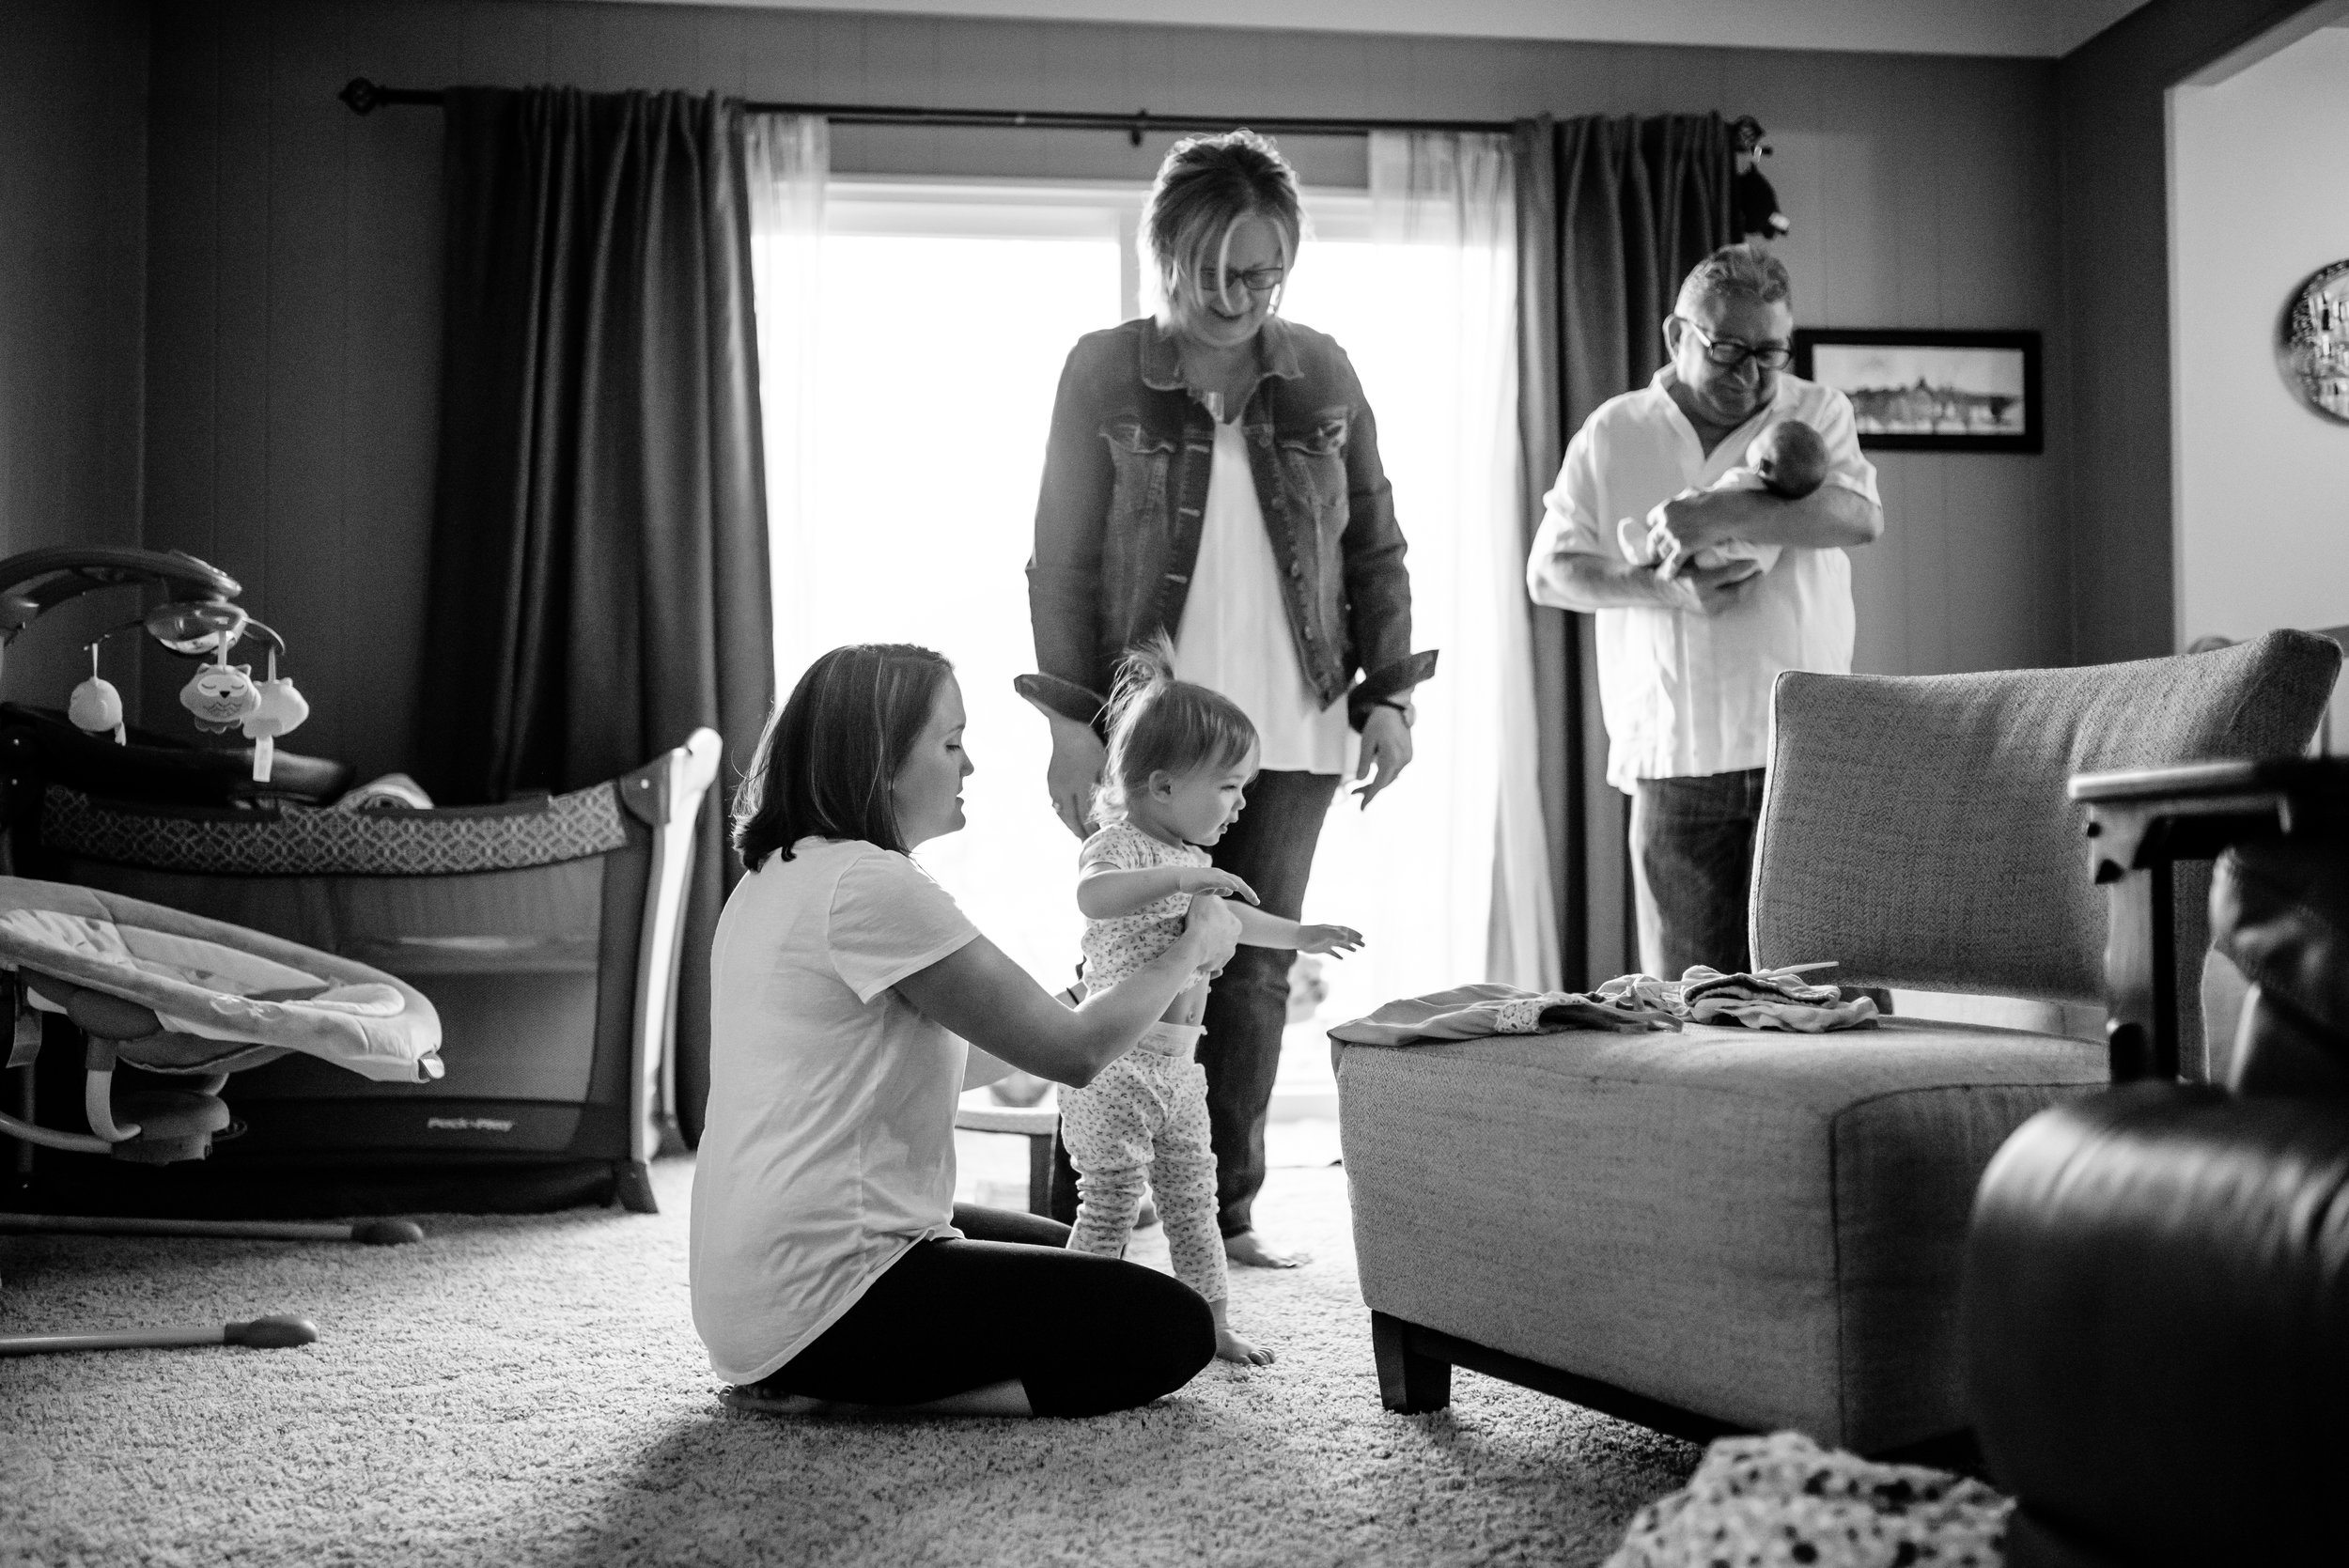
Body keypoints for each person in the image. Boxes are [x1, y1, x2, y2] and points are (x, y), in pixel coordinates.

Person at [1025, 129, 1434, 1270]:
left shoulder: (1324, 369)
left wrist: (1391, 697)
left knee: (1250, 962)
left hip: (1295, 718)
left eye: (1266, 274)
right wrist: (1066, 720)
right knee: (1123, 940)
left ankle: (1231, 1210)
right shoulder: (1103, 368)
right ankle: (1096, 1200)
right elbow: (1057, 558)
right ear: (1167, 253)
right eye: (1219, 272)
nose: (1242, 296)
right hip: (1150, 726)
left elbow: (1378, 547)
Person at [691, 643, 1242, 1419]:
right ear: (881, 763)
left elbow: (967, 1055)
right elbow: (1074, 1053)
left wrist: (1098, 984)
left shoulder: (782, 874)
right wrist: (1190, 950)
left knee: (1078, 1249)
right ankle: (851, 1394)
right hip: (821, 1300)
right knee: (1168, 1325)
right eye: (950, 743)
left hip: (759, 1279)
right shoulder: (873, 886)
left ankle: (829, 1371)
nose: (970, 766)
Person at [1526, 244, 1883, 979]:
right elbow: (1550, 571)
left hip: (1802, 748)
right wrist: (1662, 588)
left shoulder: (1816, 412)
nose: (1749, 375)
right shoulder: (1614, 430)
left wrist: (1717, 510)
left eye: (1769, 353)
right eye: (1726, 350)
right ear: (1675, 336)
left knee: (1824, 992)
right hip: (1673, 755)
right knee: (1693, 1010)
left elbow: (1857, 517)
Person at [1063, 641, 1365, 1366]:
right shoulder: (1122, 848)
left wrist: (1301, 931)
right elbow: (1091, 895)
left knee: (1194, 1200)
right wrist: (1178, 881)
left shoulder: (1197, 862)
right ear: (1162, 787)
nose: (1241, 803)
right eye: (1229, 786)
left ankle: (1213, 1319)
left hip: (1177, 1069)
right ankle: (1068, 1318)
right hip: (1117, 1066)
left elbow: (1239, 921)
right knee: (1107, 1205)